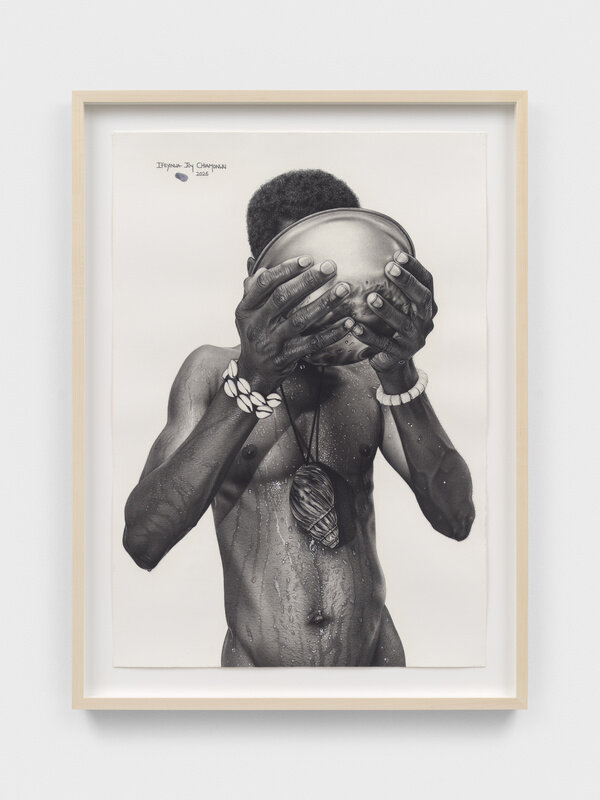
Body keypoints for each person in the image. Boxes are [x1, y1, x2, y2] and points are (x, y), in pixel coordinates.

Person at [123, 169, 475, 667]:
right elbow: (144, 540)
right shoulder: (211, 372)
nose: (319, 298)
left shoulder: (370, 377)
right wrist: (252, 381)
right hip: (258, 682)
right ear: (255, 275)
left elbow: (457, 517)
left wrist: (399, 369)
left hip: (375, 669)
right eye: (300, 275)